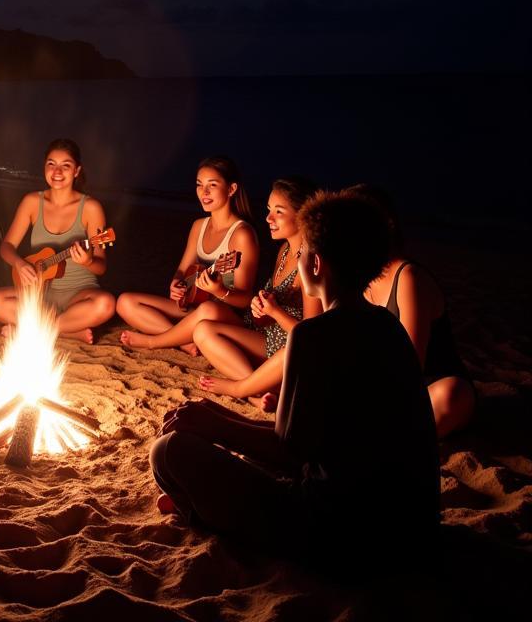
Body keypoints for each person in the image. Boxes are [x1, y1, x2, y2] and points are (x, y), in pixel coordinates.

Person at [150, 189, 440, 567]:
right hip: (411, 530)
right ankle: (206, 506)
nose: (298, 258)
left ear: (315, 264)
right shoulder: (390, 328)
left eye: (301, 253)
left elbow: (289, 447)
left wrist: (215, 426)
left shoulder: (312, 335)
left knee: (168, 450)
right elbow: (319, 444)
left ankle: (203, 516)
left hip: (341, 539)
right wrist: (218, 419)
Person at [355, 185, 476, 437]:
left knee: (451, 394)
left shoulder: (408, 276)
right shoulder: (359, 279)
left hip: (427, 388)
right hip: (384, 390)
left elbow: (410, 365)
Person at [196, 177, 321, 410]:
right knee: (203, 330)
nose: (268, 218)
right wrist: (261, 309)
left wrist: (274, 311)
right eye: (268, 210)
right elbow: (265, 319)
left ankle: (242, 388)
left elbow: (309, 337)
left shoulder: (310, 263)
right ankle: (258, 389)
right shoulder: (284, 251)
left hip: (290, 351)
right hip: (269, 338)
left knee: (209, 324)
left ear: (303, 215)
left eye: (278, 212)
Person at [117, 156, 258, 355]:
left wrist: (218, 291)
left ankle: (153, 342)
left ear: (231, 189)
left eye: (213, 185)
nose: (204, 192)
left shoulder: (242, 234)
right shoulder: (198, 226)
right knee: (125, 302)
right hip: (195, 305)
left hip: (226, 316)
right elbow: (183, 270)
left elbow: (245, 300)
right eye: (200, 185)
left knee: (208, 309)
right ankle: (183, 341)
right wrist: (175, 284)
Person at [0, 138, 115, 343]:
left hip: (79, 295)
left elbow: (101, 265)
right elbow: (6, 247)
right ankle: (68, 330)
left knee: (105, 304)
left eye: (66, 166)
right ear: (44, 166)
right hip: (40, 292)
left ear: (77, 171)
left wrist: (88, 262)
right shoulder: (32, 202)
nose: (57, 172)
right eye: (51, 164)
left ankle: (38, 329)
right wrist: (19, 264)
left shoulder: (91, 208)